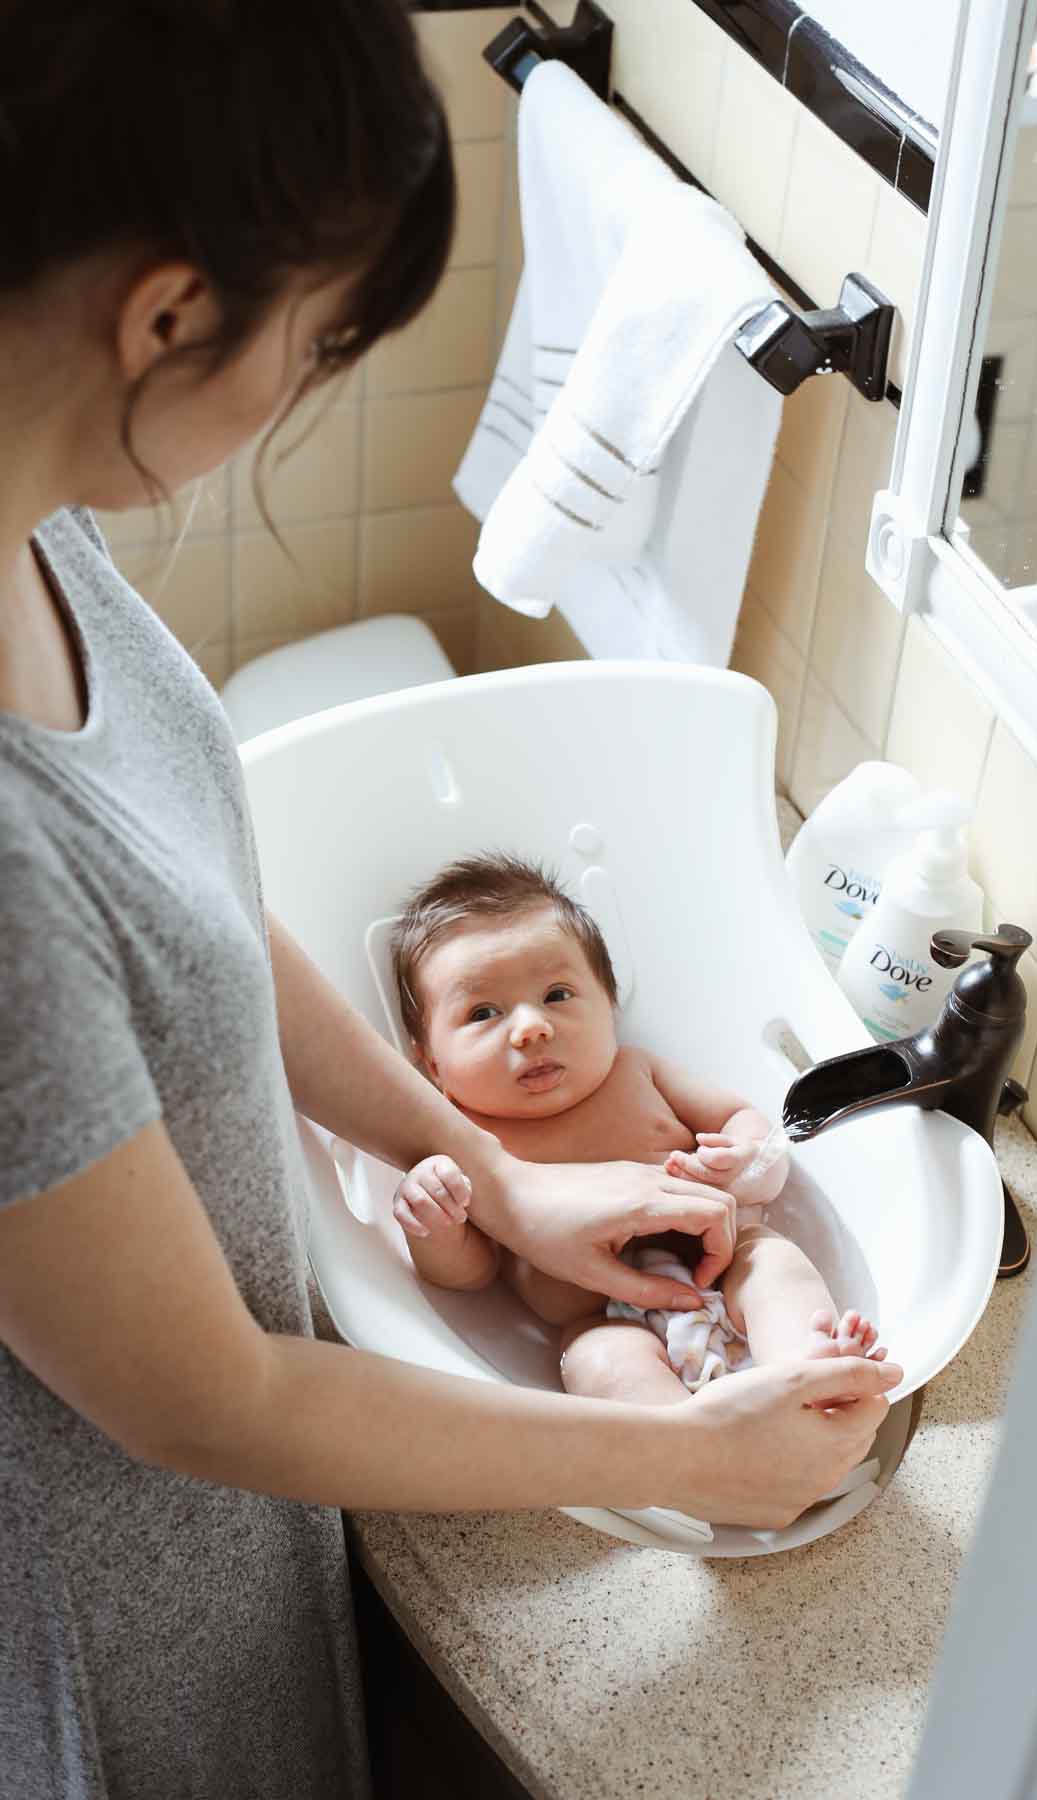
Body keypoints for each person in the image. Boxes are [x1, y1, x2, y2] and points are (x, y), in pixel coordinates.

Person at [0, 5, 902, 1796]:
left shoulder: (41, 509)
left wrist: (498, 1175)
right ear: (170, 309)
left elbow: (190, 888)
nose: (305, 384)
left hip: (225, 1515)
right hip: (96, 1583)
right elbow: (209, 1401)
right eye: (321, 331)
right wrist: (705, 1464)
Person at [392, 855, 892, 1408]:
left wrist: (741, 1160)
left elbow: (760, 1134)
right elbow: (471, 1274)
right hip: (599, 1317)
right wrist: (433, 1228)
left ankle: (808, 1370)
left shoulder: (638, 1071)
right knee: (596, 1362)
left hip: (723, 1265)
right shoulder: (467, 1143)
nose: (532, 1028)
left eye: (557, 995)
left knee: (773, 1265)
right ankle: (698, 1443)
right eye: (484, 1012)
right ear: (432, 1065)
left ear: (610, 1004)